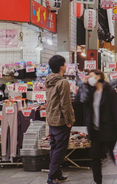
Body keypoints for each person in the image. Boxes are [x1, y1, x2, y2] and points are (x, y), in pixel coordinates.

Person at [78, 70, 117, 184]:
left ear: (99, 77)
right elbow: (80, 99)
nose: (89, 78)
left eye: (91, 76)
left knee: (114, 155)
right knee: (95, 157)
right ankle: (98, 181)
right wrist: (84, 84)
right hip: (95, 130)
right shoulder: (90, 91)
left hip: (109, 129)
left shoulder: (109, 91)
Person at [45, 55, 75, 184]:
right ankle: (52, 176)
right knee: (60, 150)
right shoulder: (63, 82)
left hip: (51, 118)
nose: (66, 66)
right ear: (61, 66)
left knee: (54, 147)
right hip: (61, 120)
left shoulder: (48, 80)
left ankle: (57, 174)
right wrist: (69, 120)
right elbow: (65, 104)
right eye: (65, 64)